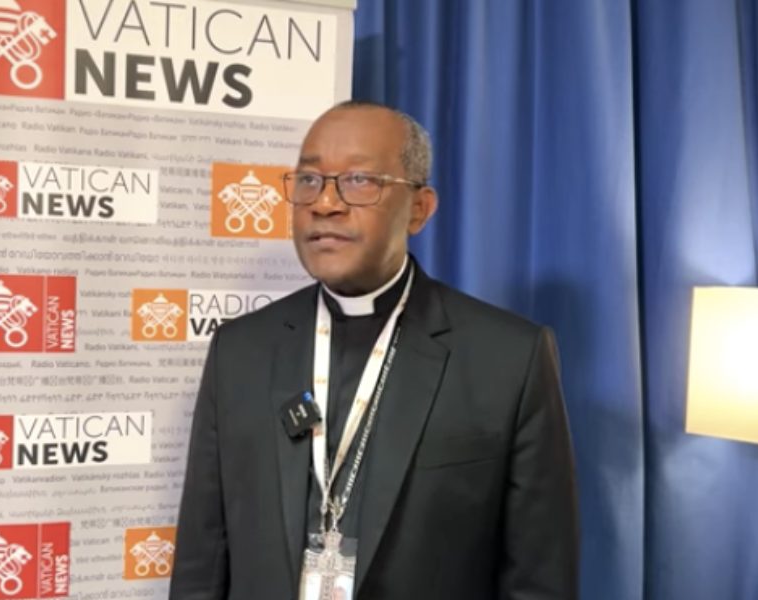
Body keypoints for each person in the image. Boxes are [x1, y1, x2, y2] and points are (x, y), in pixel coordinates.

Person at [170, 101, 579, 599]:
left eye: (359, 180)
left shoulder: (508, 358)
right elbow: (201, 562)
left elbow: (539, 580)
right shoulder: (240, 350)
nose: (325, 203)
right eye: (309, 180)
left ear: (419, 209)